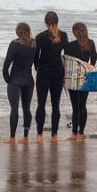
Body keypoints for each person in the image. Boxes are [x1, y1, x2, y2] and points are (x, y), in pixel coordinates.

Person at [33, 11, 68, 143]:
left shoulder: (40, 37)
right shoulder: (63, 35)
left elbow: (36, 58)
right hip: (58, 72)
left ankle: (39, 135)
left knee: (41, 104)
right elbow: (67, 56)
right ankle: (54, 135)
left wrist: (38, 68)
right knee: (55, 104)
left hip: (43, 72)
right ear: (57, 21)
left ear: (46, 23)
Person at [2, 22, 36, 144]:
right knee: (27, 109)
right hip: (29, 80)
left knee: (14, 109)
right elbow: (37, 64)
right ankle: (25, 138)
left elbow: (6, 65)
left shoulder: (14, 44)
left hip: (15, 81)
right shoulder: (34, 44)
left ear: (17, 32)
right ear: (28, 31)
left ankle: (12, 138)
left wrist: (8, 80)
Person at [63, 22, 97, 141]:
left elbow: (66, 64)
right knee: (82, 105)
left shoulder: (69, 46)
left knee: (75, 106)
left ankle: (74, 133)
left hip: (73, 78)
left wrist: (64, 79)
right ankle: (81, 133)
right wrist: (88, 70)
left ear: (74, 33)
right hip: (85, 77)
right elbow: (94, 60)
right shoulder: (90, 43)